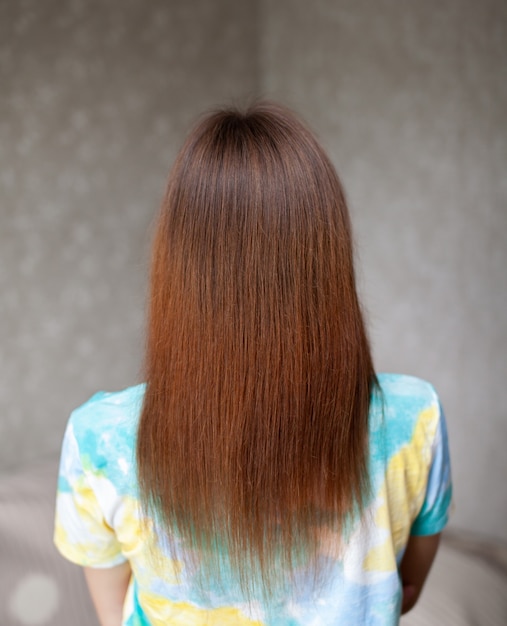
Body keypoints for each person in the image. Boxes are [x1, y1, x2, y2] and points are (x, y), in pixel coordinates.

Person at [54, 102, 452, 626]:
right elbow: (407, 589)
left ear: (177, 268)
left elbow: (114, 613)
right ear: (328, 260)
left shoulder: (99, 441)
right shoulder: (416, 418)